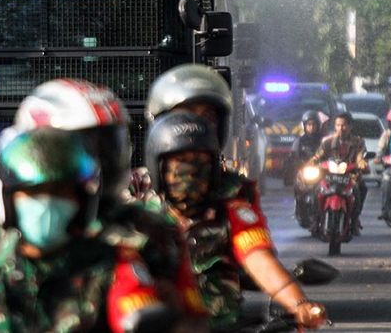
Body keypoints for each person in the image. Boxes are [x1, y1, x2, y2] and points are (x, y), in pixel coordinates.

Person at [0, 126, 181, 332]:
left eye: (60, 192)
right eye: (33, 192)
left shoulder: (111, 270)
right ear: (10, 200)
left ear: (82, 201)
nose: (46, 203)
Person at [8, 79, 207, 325]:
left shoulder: (151, 231)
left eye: (108, 147)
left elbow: (194, 320)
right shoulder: (2, 253)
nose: (102, 164)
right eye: (86, 150)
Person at [145, 111, 328, 332]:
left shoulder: (232, 214)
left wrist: (299, 305)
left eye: (200, 162)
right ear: (159, 168)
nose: (191, 173)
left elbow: (258, 259)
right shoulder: (137, 221)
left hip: (222, 325)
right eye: (181, 162)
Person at [310, 111, 368, 235]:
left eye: (344, 125)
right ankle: (315, 219)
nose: (341, 128)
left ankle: (354, 219)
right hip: (329, 176)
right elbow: (318, 156)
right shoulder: (328, 142)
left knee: (361, 188)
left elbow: (360, 156)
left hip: (349, 176)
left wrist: (361, 163)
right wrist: (312, 162)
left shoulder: (358, 142)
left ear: (350, 126)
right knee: (316, 189)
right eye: (337, 125)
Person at [287, 111, 325, 186]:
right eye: (309, 124)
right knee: (298, 186)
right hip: (305, 171)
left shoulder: (324, 140)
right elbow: (293, 157)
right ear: (304, 126)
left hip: (320, 171)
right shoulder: (299, 141)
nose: (311, 127)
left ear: (318, 125)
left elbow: (330, 154)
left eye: (314, 124)